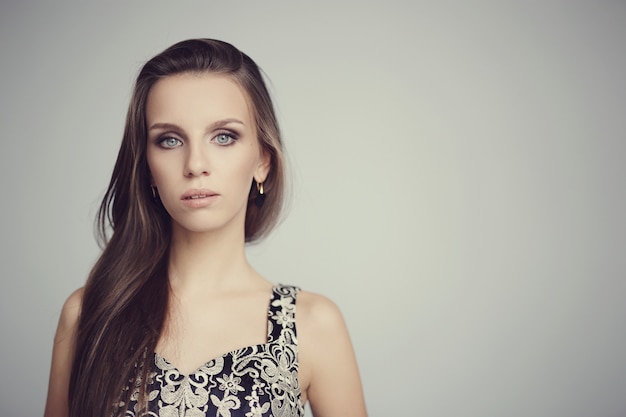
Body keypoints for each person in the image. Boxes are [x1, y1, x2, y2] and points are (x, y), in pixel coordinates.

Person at [43, 38, 367, 417]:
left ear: (263, 160)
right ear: (147, 166)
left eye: (223, 136)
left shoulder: (310, 324)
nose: (195, 163)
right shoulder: (89, 313)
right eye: (170, 140)